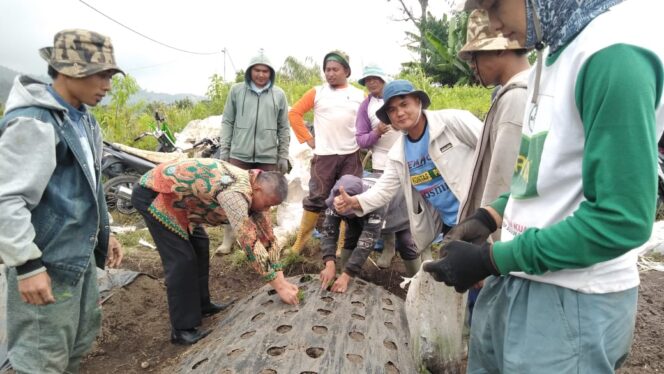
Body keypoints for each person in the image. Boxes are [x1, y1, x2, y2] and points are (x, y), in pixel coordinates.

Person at [425, 0, 664, 372]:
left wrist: (490, 259)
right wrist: (490, 216)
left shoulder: (613, 55)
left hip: (572, 298)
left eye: (494, 5)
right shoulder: (550, 57)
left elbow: (622, 220)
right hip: (519, 278)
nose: (492, 22)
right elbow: (538, 173)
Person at [0, 29, 124, 373]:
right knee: (42, 356)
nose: (108, 85)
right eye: (102, 75)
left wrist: (105, 233)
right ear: (70, 71)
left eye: (110, 75)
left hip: (76, 257)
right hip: (47, 261)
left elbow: (90, 186)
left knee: (75, 342)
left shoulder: (83, 119)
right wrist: (27, 265)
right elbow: (7, 200)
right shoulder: (35, 121)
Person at [131, 158, 299, 345]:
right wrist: (280, 287)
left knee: (201, 246)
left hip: (182, 201)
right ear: (258, 189)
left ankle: (202, 305)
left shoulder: (255, 188)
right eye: (267, 204)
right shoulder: (234, 193)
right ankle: (182, 330)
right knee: (181, 260)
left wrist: (281, 279)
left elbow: (268, 239)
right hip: (156, 194)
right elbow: (249, 243)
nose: (267, 209)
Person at [333, 79, 482, 261]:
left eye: (404, 104)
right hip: (451, 224)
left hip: (483, 215)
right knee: (470, 277)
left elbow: (495, 148)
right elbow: (384, 189)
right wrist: (355, 202)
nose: (400, 113)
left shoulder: (452, 122)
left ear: (418, 102)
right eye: (392, 110)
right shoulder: (399, 152)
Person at [455, 8, 531, 324]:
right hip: (498, 247)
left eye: (475, 57)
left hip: (496, 249)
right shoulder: (514, 93)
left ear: (500, 47)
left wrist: (485, 254)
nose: (472, 67)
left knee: (488, 325)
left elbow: (505, 181)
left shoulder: (516, 99)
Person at [288, 50, 365, 253]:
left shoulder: (359, 95)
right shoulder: (317, 92)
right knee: (316, 197)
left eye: (335, 69)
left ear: (346, 71)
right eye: (327, 69)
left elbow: (367, 120)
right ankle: (300, 244)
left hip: (351, 155)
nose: (330, 73)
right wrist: (309, 139)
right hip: (324, 156)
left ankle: (341, 247)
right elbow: (294, 113)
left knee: (347, 197)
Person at [216, 51, 291, 255]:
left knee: (264, 201)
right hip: (239, 154)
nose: (261, 74)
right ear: (250, 72)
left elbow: (283, 127)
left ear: (271, 73)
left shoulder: (279, 95)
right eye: (257, 70)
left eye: (265, 71)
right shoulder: (237, 91)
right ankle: (228, 240)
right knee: (233, 196)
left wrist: (282, 155)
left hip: (267, 157)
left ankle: (262, 242)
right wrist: (225, 151)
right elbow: (228, 121)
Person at [319, 175, 421, 292]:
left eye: (349, 211)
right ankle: (347, 278)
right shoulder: (337, 199)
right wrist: (329, 263)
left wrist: (347, 274)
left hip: (399, 207)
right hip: (363, 209)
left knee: (405, 242)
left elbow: (367, 241)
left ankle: (418, 285)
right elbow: (328, 231)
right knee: (351, 235)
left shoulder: (376, 200)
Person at [354, 64, 404, 268]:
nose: (371, 82)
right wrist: (377, 132)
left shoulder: (399, 98)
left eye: (375, 78)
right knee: (387, 206)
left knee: (413, 202)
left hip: (408, 157)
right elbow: (361, 140)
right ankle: (389, 246)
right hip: (382, 162)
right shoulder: (366, 107)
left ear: (384, 79)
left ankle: (416, 246)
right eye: (367, 80)